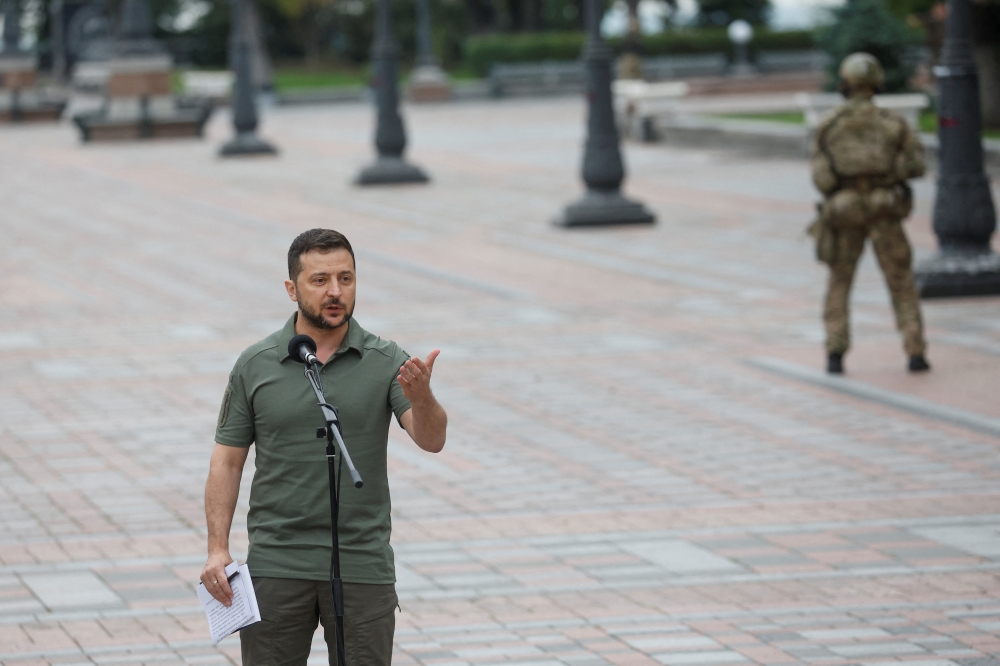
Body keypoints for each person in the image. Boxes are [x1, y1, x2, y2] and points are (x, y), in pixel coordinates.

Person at [199, 228, 448, 666]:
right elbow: (227, 461)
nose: (335, 291)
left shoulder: (387, 360)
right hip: (277, 561)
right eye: (320, 280)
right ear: (292, 289)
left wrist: (423, 396)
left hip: (361, 563)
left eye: (346, 279)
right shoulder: (256, 365)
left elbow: (432, 440)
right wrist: (217, 548)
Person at [809, 52, 931, 375]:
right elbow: (916, 165)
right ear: (876, 83)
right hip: (884, 207)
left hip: (845, 209)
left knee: (839, 281)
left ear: (844, 83)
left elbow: (821, 177)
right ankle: (915, 351)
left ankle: (835, 353)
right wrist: (887, 178)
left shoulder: (830, 125)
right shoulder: (892, 123)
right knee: (901, 281)